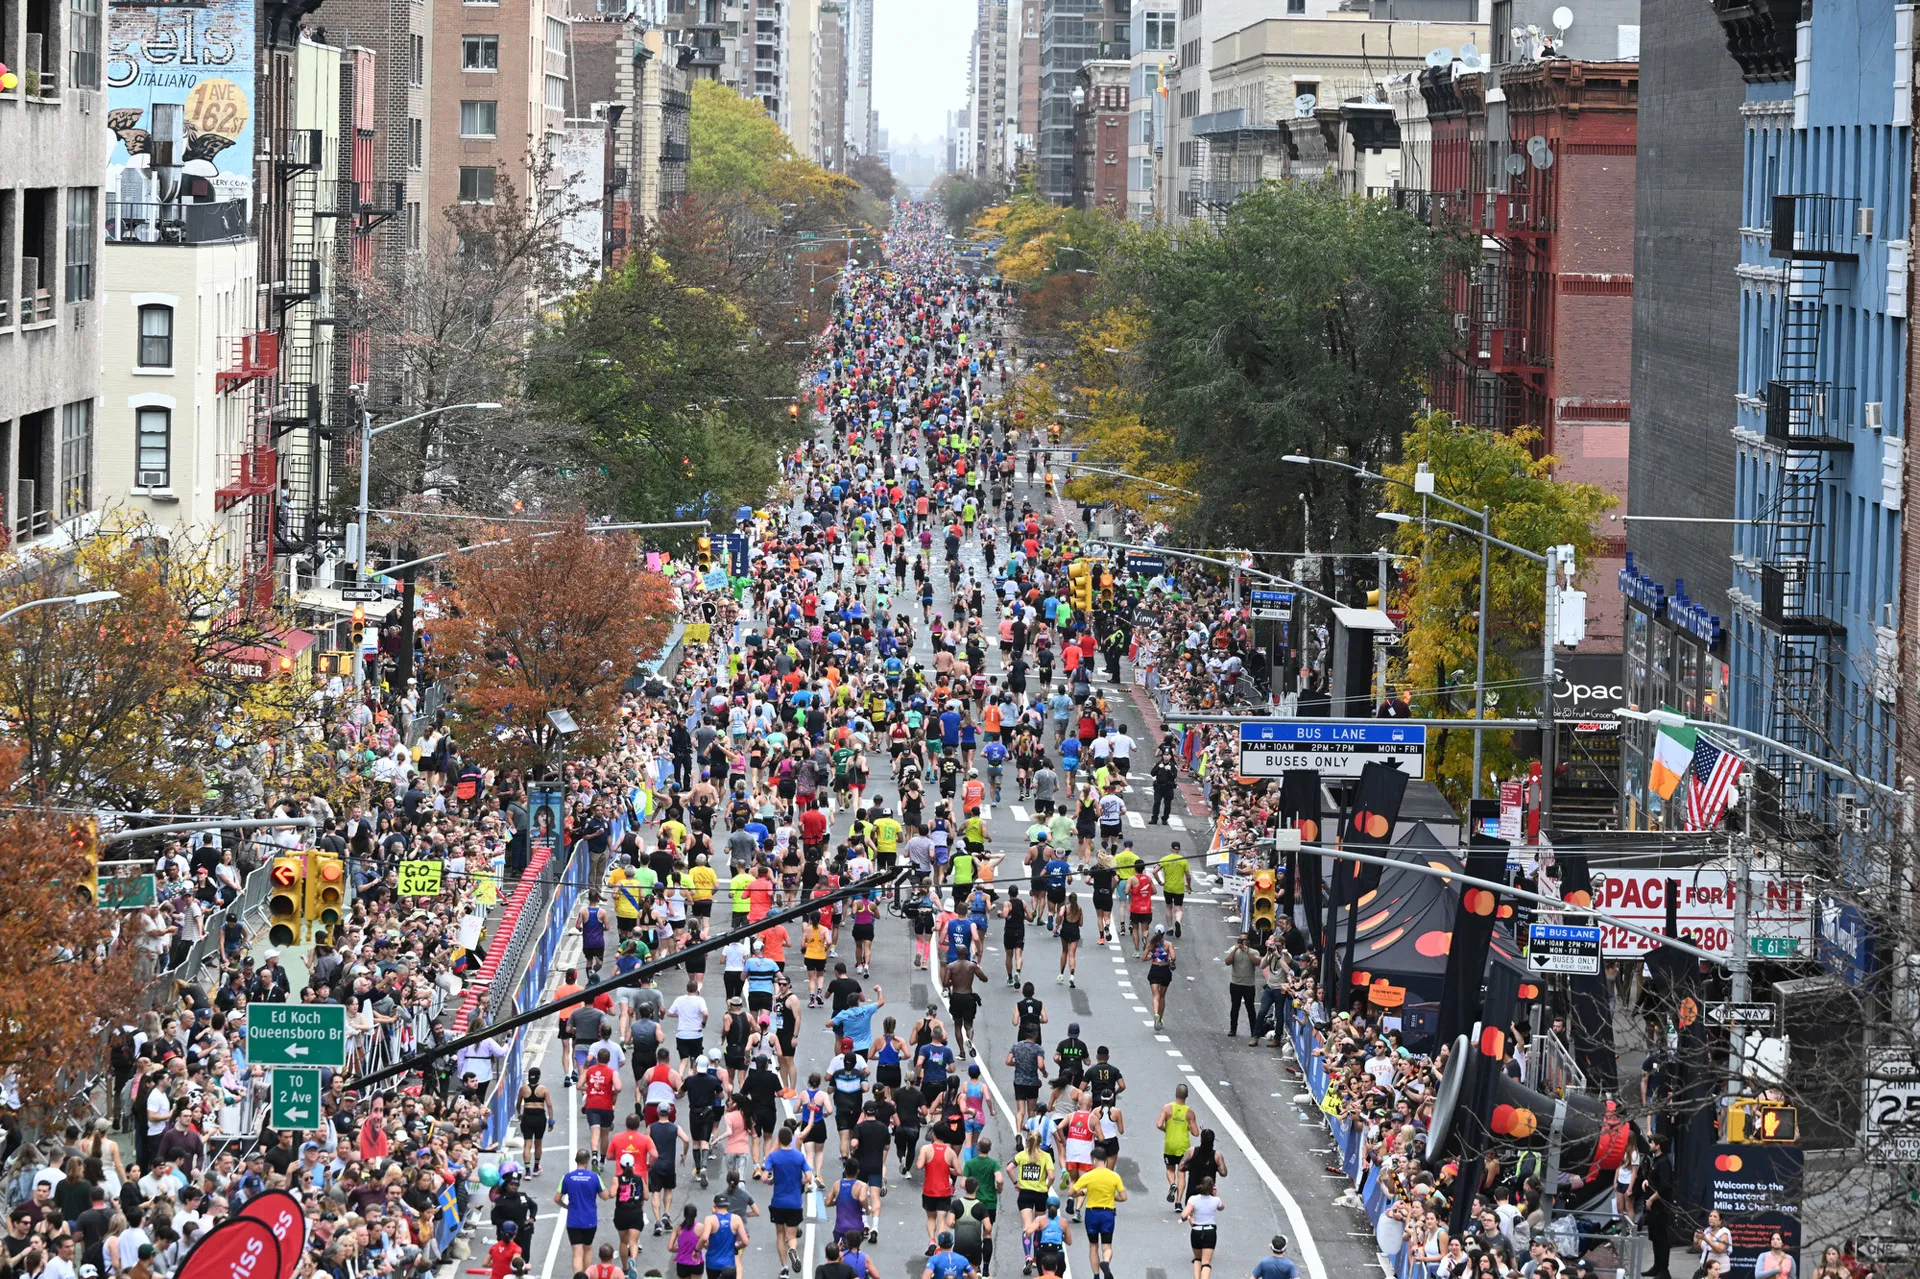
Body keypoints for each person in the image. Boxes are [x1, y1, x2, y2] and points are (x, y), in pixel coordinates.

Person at [755, 1128, 812, 1279]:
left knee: (780, 1234)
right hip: (795, 1202)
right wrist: (799, 1181)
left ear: (779, 1140)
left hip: (778, 1202)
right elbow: (809, 1176)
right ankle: (792, 1249)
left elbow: (764, 1177)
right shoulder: (799, 1156)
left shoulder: (773, 1156)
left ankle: (784, 1268)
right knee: (791, 1236)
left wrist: (771, 1180)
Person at [1070, 1148, 1126, 1279]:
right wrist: (1112, 1197)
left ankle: (1096, 1276)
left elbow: (1072, 1192)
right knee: (1107, 1246)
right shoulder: (1114, 1176)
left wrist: (1082, 1192)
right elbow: (1123, 1197)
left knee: (1093, 1246)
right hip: (1108, 1214)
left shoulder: (1088, 1176)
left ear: (1094, 1160)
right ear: (1106, 1160)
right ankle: (1106, 1263)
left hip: (1092, 1213)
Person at [556, 1148, 611, 1277]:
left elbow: (557, 1198)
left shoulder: (567, 1177)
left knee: (577, 1252)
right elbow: (605, 1196)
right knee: (588, 1249)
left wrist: (566, 1206)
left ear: (576, 1161)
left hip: (573, 1220)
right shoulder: (594, 1177)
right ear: (587, 1161)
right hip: (590, 1219)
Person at [1156, 1084, 1197, 1205]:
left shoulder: (1167, 1108)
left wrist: (1166, 1129)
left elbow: (1159, 1124)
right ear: (1187, 1096)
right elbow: (1196, 1132)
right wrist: (1188, 1127)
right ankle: (1178, 1202)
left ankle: (1172, 1184)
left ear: (1175, 1094)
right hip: (1184, 1147)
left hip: (1170, 1145)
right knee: (1182, 1173)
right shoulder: (1189, 1113)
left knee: (1170, 1169)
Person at [1180, 1176, 1222, 1279]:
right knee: (1206, 1262)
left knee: (1197, 1259)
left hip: (1196, 1231)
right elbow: (1221, 1207)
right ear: (1212, 1188)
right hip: (1210, 1232)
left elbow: (1183, 1215)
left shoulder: (1193, 1199)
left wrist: (1189, 1216)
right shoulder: (1216, 1200)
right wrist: (1215, 1195)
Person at [702, 1193, 747, 1279]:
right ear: (727, 1205)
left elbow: (704, 1238)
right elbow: (745, 1241)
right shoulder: (736, 1219)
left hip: (712, 1263)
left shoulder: (710, 1219)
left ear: (714, 1205)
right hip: (729, 1264)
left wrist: (700, 1247)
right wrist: (736, 1248)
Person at [518, 1068, 552, 1175]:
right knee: (538, 1143)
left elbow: (518, 1104)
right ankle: (536, 1167)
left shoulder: (523, 1089)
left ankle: (527, 1171)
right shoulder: (543, 1089)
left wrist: (520, 1114)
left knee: (527, 1144)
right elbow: (549, 1106)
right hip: (539, 1117)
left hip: (527, 1116)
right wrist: (551, 1120)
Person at [1144, 925, 1176, 1030]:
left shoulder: (1151, 944)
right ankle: (1160, 1018)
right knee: (1162, 996)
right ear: (1163, 934)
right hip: (1165, 970)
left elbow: (1143, 957)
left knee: (1155, 995)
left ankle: (1156, 1014)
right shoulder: (1168, 944)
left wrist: (1152, 957)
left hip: (1154, 970)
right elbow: (1173, 957)